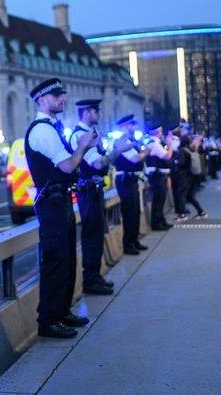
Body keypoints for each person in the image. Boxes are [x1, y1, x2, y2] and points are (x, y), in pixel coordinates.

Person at [23, 78, 97, 339]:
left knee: (66, 259)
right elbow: (67, 166)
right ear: (42, 100)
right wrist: (83, 146)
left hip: (61, 200)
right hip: (52, 203)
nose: (61, 99)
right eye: (56, 96)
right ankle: (49, 319)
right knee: (55, 260)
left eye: (61, 95)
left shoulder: (53, 127)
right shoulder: (42, 130)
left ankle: (62, 312)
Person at [68, 99, 133, 295]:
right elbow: (97, 164)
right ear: (87, 112)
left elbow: (102, 162)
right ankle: (90, 281)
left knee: (96, 235)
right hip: (87, 192)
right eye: (96, 110)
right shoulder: (80, 136)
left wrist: (110, 149)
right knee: (90, 236)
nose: (99, 113)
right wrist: (117, 151)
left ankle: (95, 276)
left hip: (95, 190)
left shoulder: (92, 135)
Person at [111, 115, 150, 255]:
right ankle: (128, 245)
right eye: (132, 125)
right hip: (125, 180)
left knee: (135, 212)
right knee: (129, 213)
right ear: (126, 126)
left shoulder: (132, 141)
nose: (134, 127)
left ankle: (134, 241)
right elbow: (135, 159)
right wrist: (146, 151)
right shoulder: (123, 142)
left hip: (132, 180)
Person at [144, 126, 174, 231]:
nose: (162, 132)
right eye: (161, 130)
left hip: (160, 175)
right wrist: (170, 145)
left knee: (161, 200)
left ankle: (161, 221)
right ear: (157, 132)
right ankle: (157, 223)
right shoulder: (154, 143)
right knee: (158, 200)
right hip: (157, 176)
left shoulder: (156, 142)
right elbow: (167, 156)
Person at [179, 134, 208, 218]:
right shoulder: (191, 149)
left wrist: (175, 162)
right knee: (190, 195)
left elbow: (181, 163)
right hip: (193, 175)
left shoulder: (182, 150)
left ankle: (182, 215)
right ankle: (201, 212)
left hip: (185, 176)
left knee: (182, 194)